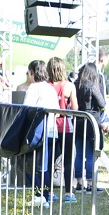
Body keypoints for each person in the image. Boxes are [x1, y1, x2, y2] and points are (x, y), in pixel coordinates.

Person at [22, 59, 60, 207]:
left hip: (39, 132)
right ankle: (46, 195)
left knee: (35, 166)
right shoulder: (50, 88)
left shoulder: (33, 88)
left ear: (31, 72)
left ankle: (40, 195)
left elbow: (26, 109)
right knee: (45, 166)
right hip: (52, 131)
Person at [47, 57, 79, 202]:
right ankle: (68, 193)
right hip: (66, 126)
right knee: (67, 160)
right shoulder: (69, 86)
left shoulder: (46, 86)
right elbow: (75, 108)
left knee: (49, 161)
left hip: (49, 127)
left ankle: (48, 192)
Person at [73, 62, 107, 195]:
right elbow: (102, 102)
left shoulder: (76, 84)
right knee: (91, 154)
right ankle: (90, 184)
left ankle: (79, 183)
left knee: (79, 154)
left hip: (78, 120)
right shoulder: (92, 85)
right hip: (92, 122)